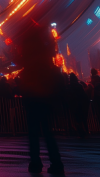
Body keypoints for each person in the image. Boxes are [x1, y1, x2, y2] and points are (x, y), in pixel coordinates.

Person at [16, 24, 64, 175]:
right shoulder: (44, 56)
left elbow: (19, 62)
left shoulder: (28, 57)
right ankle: (56, 162)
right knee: (48, 132)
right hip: (45, 97)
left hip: (32, 96)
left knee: (33, 132)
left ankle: (36, 161)